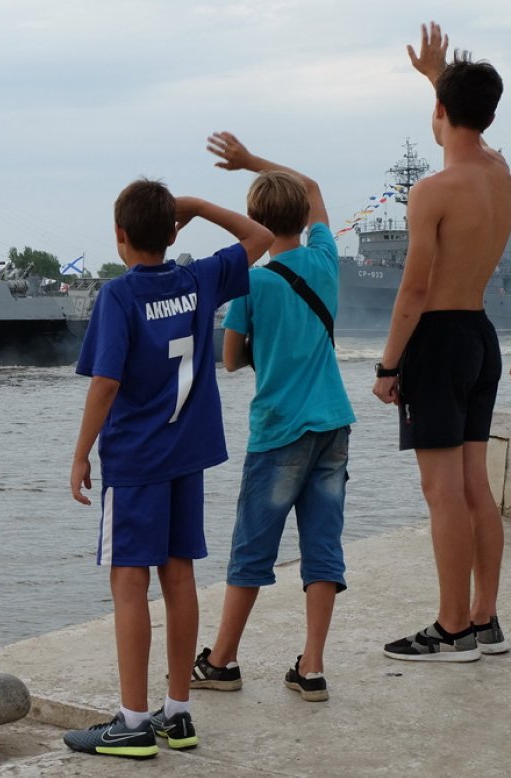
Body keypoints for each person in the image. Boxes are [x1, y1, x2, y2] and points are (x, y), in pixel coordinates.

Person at [62, 178, 272, 758]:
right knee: (179, 578)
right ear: (171, 230)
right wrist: (200, 208)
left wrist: (81, 453)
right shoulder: (198, 278)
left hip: (136, 461)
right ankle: (177, 714)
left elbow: (105, 383)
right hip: (189, 456)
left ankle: (131, 721)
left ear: (121, 236)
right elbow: (260, 235)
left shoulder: (118, 297)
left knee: (129, 582)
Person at [191, 134, 356, 703]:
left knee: (252, 550)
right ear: (304, 217)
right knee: (323, 547)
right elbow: (311, 186)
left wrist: (262, 344)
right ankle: (311, 668)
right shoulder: (326, 259)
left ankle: (222, 661)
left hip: (280, 429)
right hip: (334, 422)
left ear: (256, 219)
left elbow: (232, 359)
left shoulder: (251, 282)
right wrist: (253, 161)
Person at [373, 22, 511, 661]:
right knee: (476, 485)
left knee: (442, 492)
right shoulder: (498, 170)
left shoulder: (431, 191)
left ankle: (451, 628)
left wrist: (387, 364)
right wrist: (440, 80)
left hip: (438, 339)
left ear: (440, 111)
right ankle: (484, 619)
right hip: (483, 337)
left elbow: (414, 291)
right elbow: (465, 126)